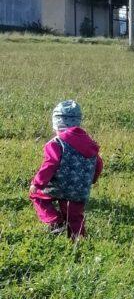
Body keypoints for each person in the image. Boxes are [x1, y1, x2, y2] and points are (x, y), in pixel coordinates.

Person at [30, 99, 103, 240]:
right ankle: (77, 242)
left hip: (59, 186)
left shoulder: (57, 143)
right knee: (74, 216)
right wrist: (91, 180)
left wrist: (37, 183)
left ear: (56, 124)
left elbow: (50, 164)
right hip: (80, 188)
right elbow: (98, 164)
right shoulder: (90, 143)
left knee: (38, 195)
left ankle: (55, 221)